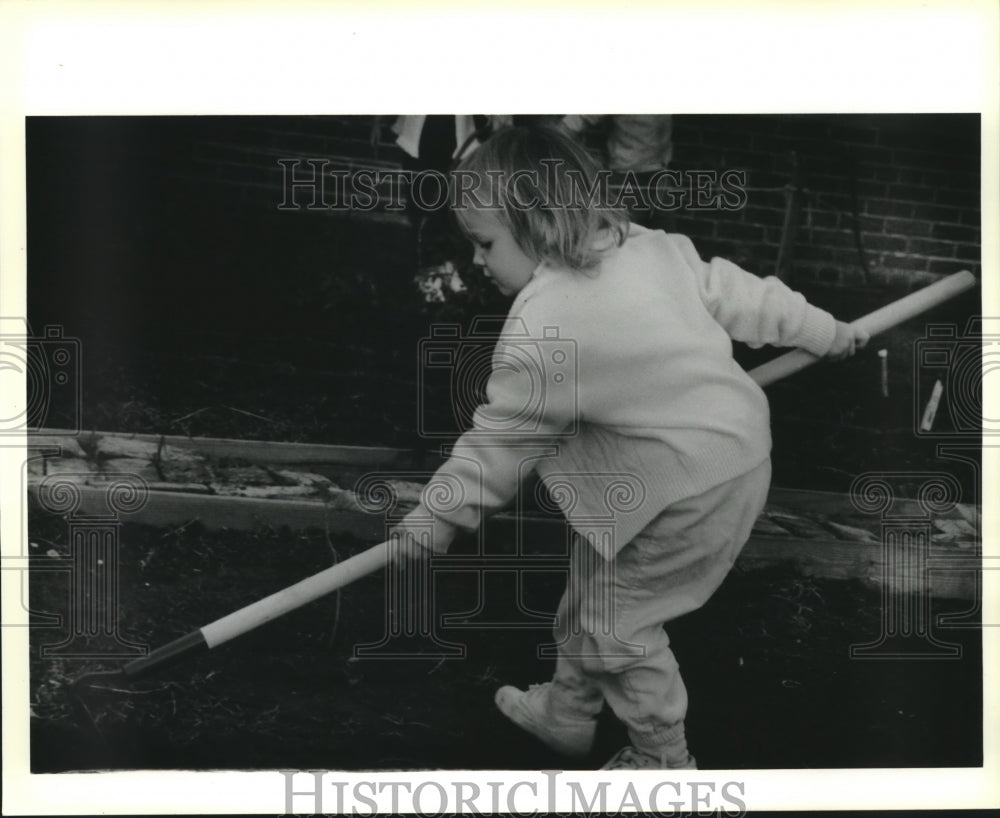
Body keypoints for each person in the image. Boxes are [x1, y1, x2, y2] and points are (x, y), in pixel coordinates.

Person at [391, 125, 868, 770]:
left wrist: (434, 520)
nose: (477, 260)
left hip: (690, 484)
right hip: (685, 459)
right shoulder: (650, 249)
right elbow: (740, 292)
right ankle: (568, 711)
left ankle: (663, 761)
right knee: (592, 583)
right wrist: (823, 329)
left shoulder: (543, 325)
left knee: (618, 623)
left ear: (536, 223)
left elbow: (498, 442)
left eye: (485, 242)